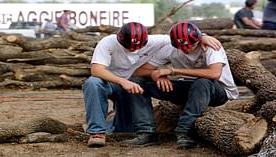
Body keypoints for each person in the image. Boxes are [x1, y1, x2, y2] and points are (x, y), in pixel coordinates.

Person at [83, 22, 222, 148]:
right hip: (112, 83)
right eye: (128, 47)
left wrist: (203, 37)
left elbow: (184, 36)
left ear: (147, 40)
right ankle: (97, 133)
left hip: (133, 88)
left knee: (124, 130)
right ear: (119, 39)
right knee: (93, 83)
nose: (133, 50)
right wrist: (123, 81)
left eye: (138, 47)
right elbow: (96, 70)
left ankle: (111, 121)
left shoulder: (158, 41)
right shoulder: (108, 42)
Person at [125, 21, 239, 149]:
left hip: (218, 91)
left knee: (202, 82)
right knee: (138, 81)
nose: (186, 49)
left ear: (198, 39)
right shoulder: (170, 48)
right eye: (181, 47)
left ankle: (184, 132)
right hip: (189, 88)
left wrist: (173, 70)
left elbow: (215, 74)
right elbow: (138, 71)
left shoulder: (210, 46)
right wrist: (158, 75)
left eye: (190, 45)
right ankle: (146, 132)